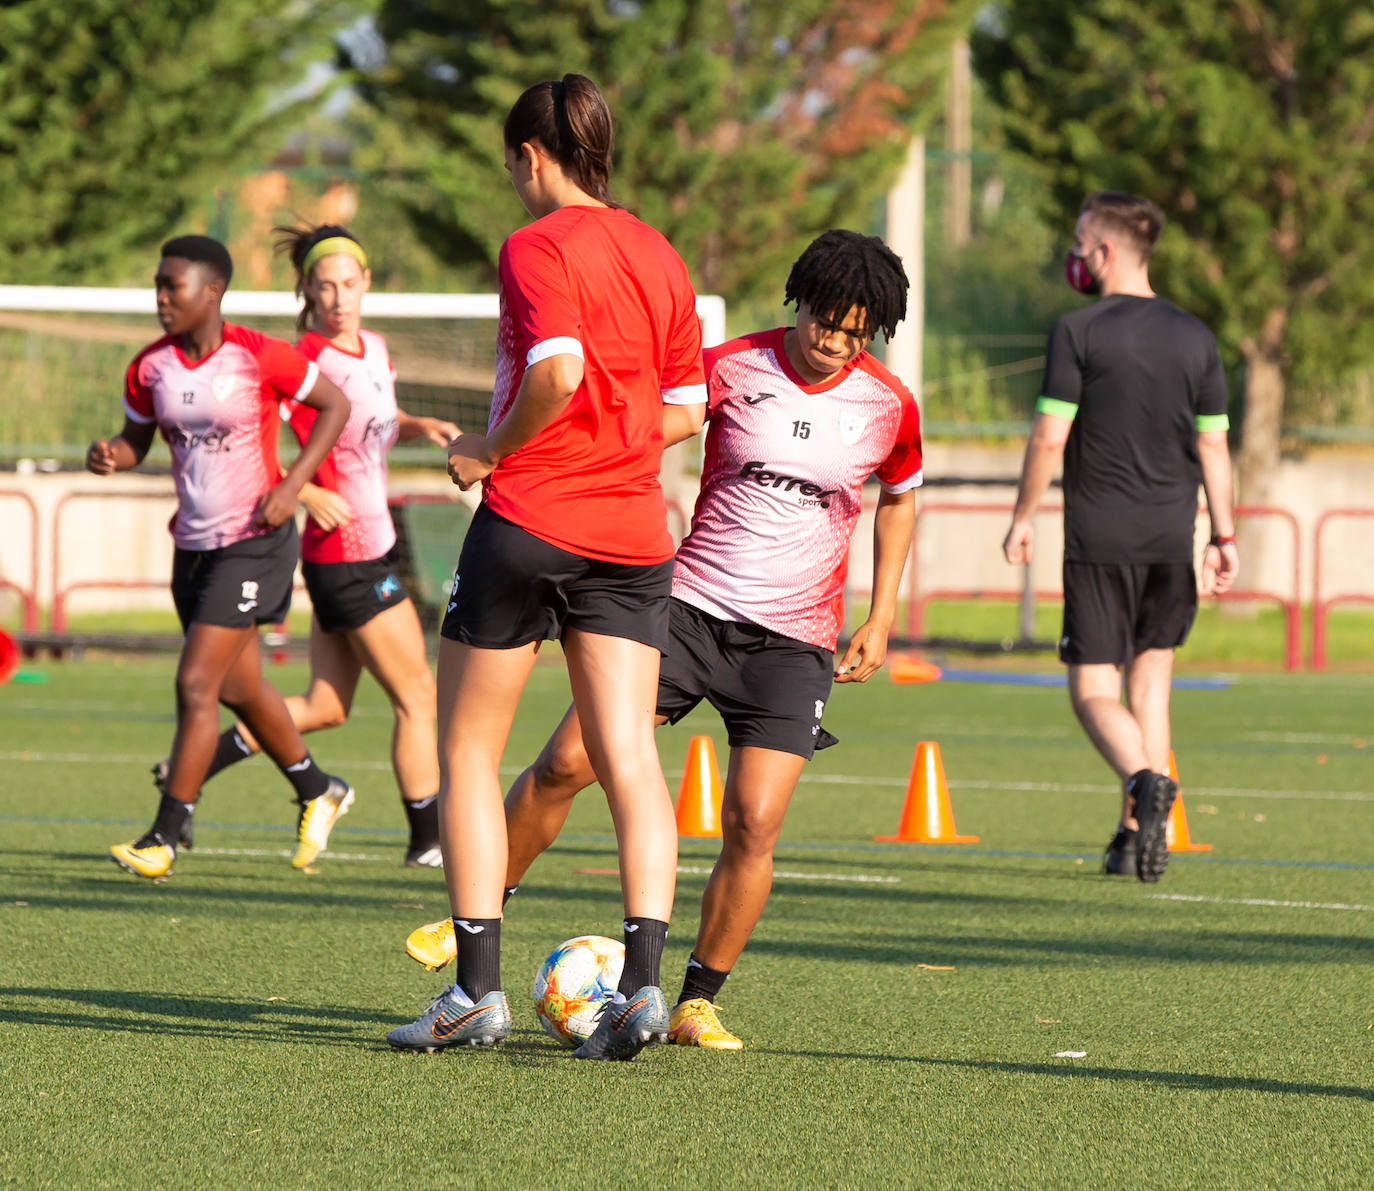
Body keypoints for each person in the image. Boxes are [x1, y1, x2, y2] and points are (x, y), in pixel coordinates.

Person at [403, 229, 922, 1050]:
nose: (834, 341)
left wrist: (884, 610)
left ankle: (696, 999)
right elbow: (637, 425)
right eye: (826, 319)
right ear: (800, 301)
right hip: (687, 608)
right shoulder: (732, 367)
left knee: (753, 818)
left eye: (856, 331)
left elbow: (900, 492)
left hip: (794, 641)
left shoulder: (889, 404)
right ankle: (477, 910)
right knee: (567, 761)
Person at [384, 73, 706, 1060]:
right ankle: (645, 986)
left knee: (470, 751)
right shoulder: (658, 252)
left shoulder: (535, 244)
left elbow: (557, 373)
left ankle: (475, 993)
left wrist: (489, 450)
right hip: (633, 533)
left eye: (511, 166)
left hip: (530, 521)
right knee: (629, 760)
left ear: (531, 157)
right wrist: (618, 448)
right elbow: (690, 408)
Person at [150, 224, 459, 868]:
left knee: (325, 706)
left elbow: (370, 422)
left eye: (349, 284)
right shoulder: (310, 357)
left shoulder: (376, 349)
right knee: (418, 696)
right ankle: (429, 841)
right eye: (325, 287)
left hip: (365, 547)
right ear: (309, 294)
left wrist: (415, 424)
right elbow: (259, 440)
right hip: (345, 550)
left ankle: (191, 766)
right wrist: (307, 491)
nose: (338, 297)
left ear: (367, 283)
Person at [88, 234, 354, 881]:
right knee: (239, 688)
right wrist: (111, 455)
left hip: (255, 542)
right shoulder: (150, 367)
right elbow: (135, 441)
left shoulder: (258, 355)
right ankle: (318, 789)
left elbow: (334, 406)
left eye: (170, 286)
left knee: (196, 683)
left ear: (212, 292)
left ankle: (165, 833)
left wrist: (292, 488)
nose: (159, 298)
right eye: (156, 284)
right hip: (195, 548)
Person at [1002, 191, 1238, 883]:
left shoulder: (1078, 331)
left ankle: (1142, 779)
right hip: (1173, 536)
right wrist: (1224, 535)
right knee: (1152, 688)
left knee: (1091, 689)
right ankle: (1134, 835)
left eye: (1079, 242)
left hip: (1101, 537)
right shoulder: (1197, 336)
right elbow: (1215, 449)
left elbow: (1051, 433)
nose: (1073, 256)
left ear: (1103, 252)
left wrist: (1023, 513)